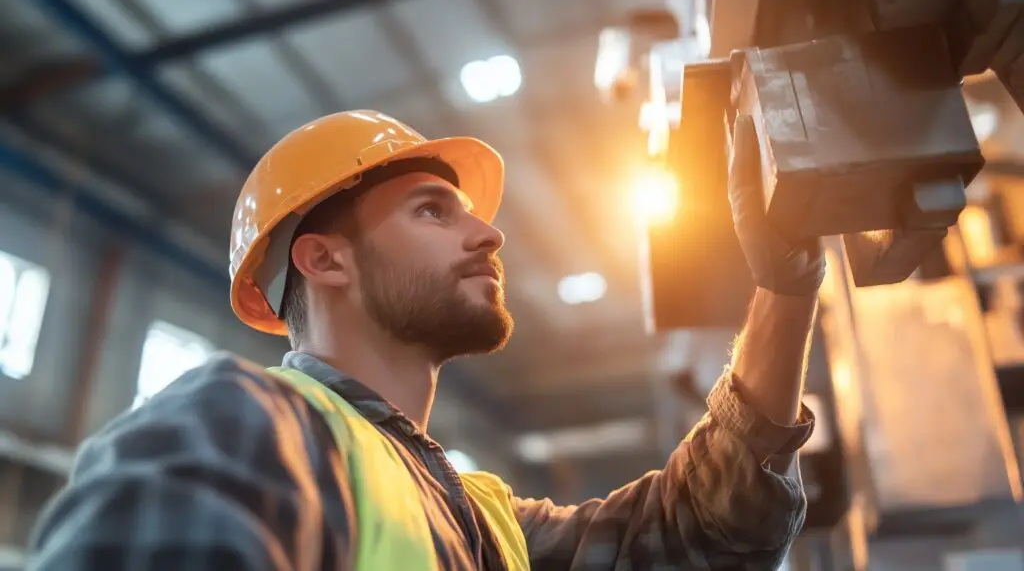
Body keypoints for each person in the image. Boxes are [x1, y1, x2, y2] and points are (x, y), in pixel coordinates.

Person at [27, 111, 821, 570]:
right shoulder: (244, 428)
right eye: (433, 211)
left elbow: (701, 536)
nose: (490, 233)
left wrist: (786, 284)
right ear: (325, 257)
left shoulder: (484, 514)